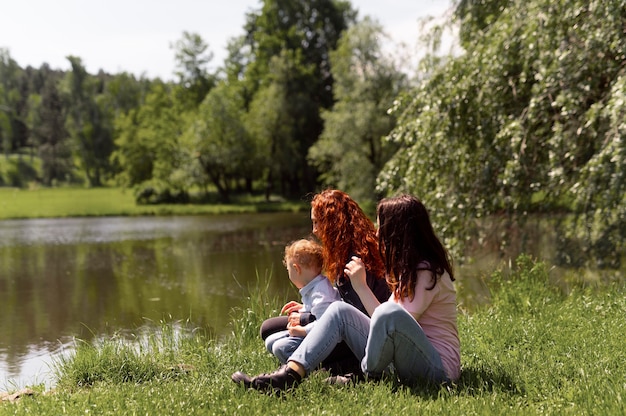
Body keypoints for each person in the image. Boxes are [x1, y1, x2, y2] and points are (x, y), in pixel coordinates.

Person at [232, 194, 460, 393]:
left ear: (400, 232)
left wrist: (361, 287)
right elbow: (385, 325)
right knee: (339, 309)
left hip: (438, 370)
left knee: (388, 312)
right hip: (404, 359)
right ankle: (289, 375)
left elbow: (392, 322)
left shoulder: (427, 272)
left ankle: (361, 376)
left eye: (383, 227)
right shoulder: (410, 269)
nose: (378, 232)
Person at [257, 189, 390, 375]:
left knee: (282, 345)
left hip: (361, 333)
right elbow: (339, 298)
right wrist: (307, 308)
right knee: (268, 328)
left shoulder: (355, 258)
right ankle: (328, 365)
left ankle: (337, 367)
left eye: (317, 222)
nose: (314, 230)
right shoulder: (344, 250)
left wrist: (307, 319)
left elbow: (352, 313)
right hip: (336, 319)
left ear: (333, 223)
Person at [264, 238, 341, 363]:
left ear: (297, 269)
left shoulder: (321, 293)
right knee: (270, 342)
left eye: (288, 270)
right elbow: (315, 310)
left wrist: (302, 331)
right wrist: (303, 308)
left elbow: (326, 325)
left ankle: (301, 368)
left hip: (322, 338)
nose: (289, 273)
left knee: (280, 348)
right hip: (312, 332)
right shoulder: (314, 286)